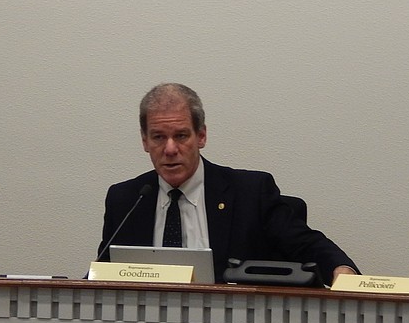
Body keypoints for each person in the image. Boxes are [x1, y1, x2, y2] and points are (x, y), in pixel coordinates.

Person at [98, 83, 359, 284]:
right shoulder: (126, 200)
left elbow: (307, 245)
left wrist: (341, 269)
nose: (170, 149)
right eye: (158, 137)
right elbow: (103, 273)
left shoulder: (250, 192)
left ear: (201, 136)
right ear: (144, 141)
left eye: (181, 136)